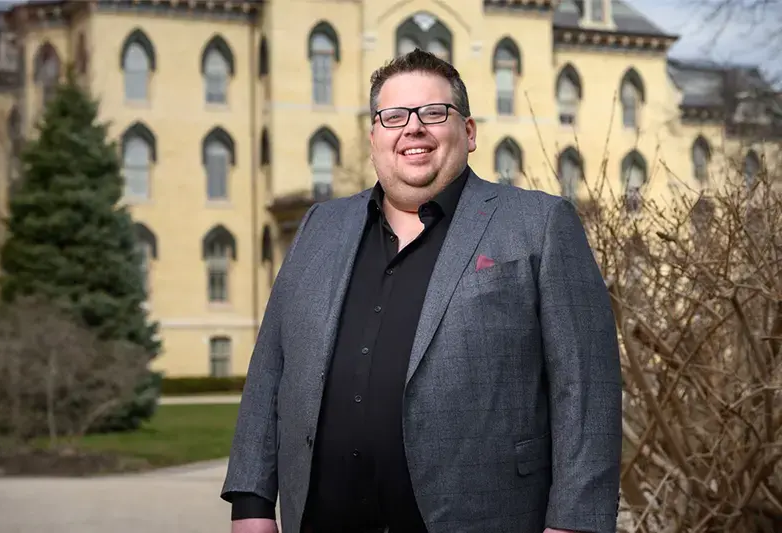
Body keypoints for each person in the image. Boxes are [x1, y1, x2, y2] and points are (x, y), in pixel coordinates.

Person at [221, 48, 623, 533]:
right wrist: (251, 504)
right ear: (374, 137)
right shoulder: (319, 227)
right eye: (393, 116)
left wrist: (574, 524)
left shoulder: (538, 224)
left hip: (485, 517)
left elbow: (586, 387)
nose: (413, 128)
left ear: (468, 133)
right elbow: (270, 371)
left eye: (434, 113)